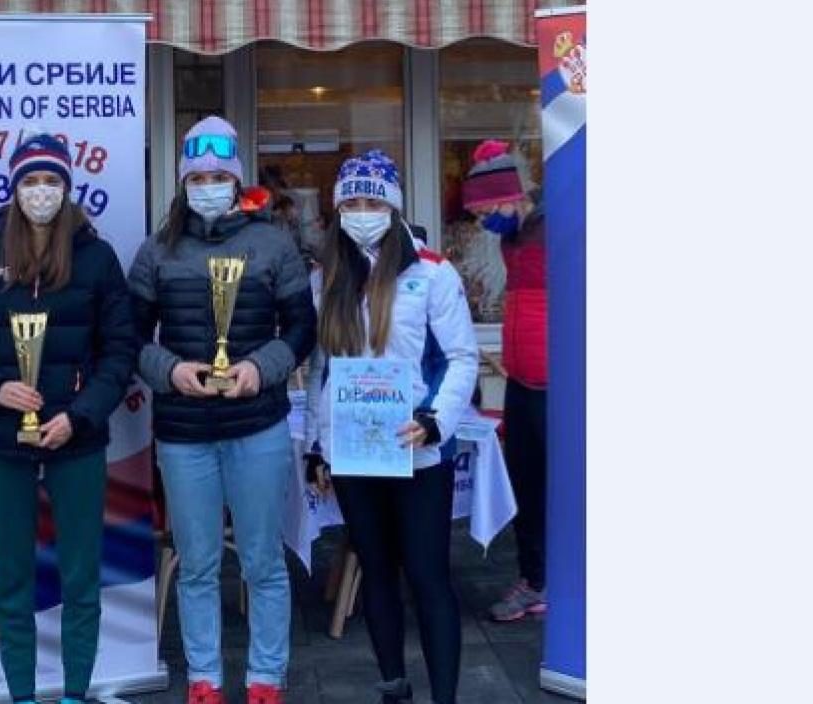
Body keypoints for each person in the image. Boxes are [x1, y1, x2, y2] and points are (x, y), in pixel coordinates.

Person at [0, 129, 137, 704]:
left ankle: (74, 694)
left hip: (77, 439)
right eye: (31, 180)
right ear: (15, 187)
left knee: (81, 577)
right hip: (2, 441)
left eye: (51, 180)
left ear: (66, 187)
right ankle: (21, 695)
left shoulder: (97, 257)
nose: (41, 191)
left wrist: (81, 415)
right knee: (11, 578)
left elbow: (120, 351)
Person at [128, 115, 316, 704]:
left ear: (236, 180)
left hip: (256, 426)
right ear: (184, 182)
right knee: (198, 563)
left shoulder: (273, 243)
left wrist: (261, 368)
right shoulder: (157, 249)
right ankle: (204, 677)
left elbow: (302, 328)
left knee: (263, 560)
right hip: (184, 432)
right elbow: (128, 337)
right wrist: (170, 371)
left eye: (218, 176)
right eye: (198, 177)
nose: (208, 185)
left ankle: (266, 678)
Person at [304, 149, 479, 704]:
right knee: (376, 574)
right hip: (355, 454)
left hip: (418, 451)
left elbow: (462, 358)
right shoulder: (326, 276)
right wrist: (316, 445)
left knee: (427, 578)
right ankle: (393, 690)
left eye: (373, 202)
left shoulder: (432, 272)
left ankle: (444, 697)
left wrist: (435, 420)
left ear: (394, 206)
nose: (362, 212)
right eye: (351, 203)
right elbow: (322, 366)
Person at [461, 140, 549, 623]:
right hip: (522, 378)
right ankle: (534, 580)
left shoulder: (559, 228)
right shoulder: (512, 236)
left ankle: (563, 581)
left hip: (558, 384)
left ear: (511, 196)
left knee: (563, 489)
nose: (483, 222)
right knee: (526, 486)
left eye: (487, 210)